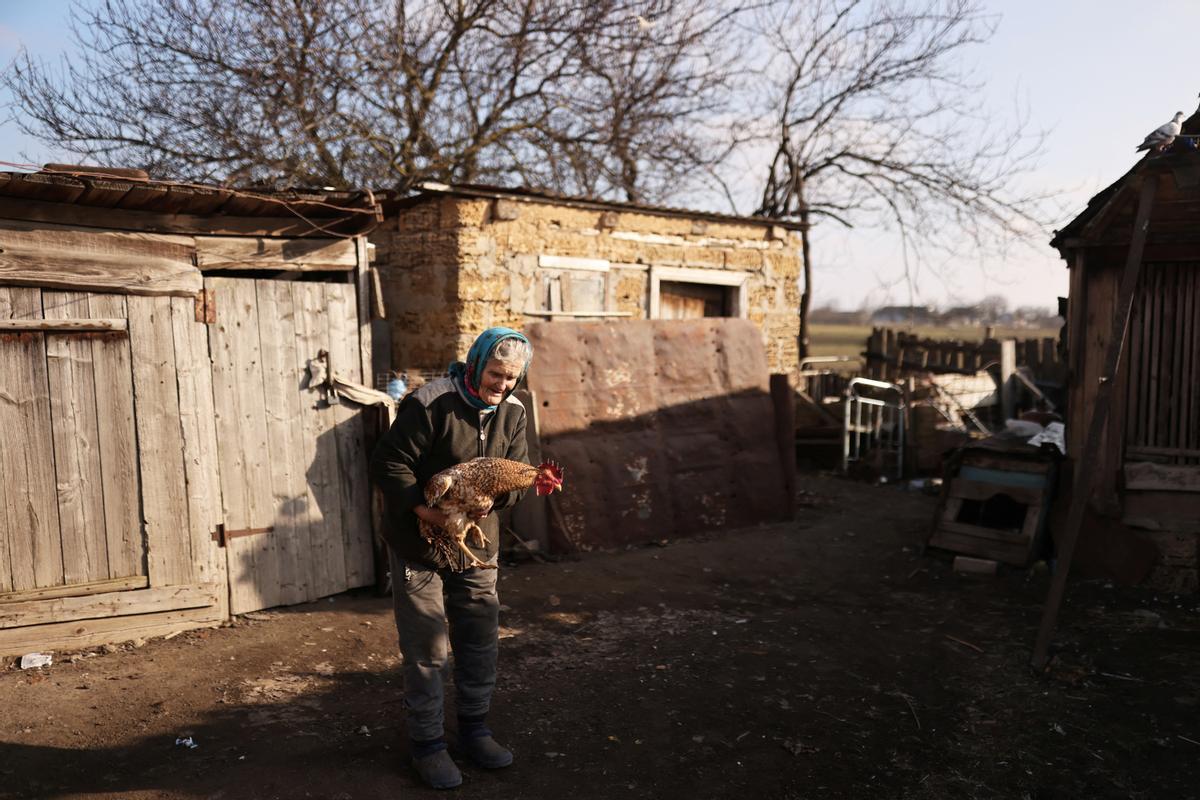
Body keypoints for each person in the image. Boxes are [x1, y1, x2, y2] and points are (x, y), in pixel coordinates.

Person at [370, 327, 533, 790]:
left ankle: (475, 730)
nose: (501, 384)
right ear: (477, 363)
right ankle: (427, 745)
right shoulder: (430, 402)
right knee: (426, 647)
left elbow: (518, 474)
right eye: (495, 373)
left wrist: (492, 504)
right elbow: (389, 463)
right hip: (419, 541)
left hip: (477, 544)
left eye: (510, 377)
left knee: (479, 636)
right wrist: (427, 513)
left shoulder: (514, 411)